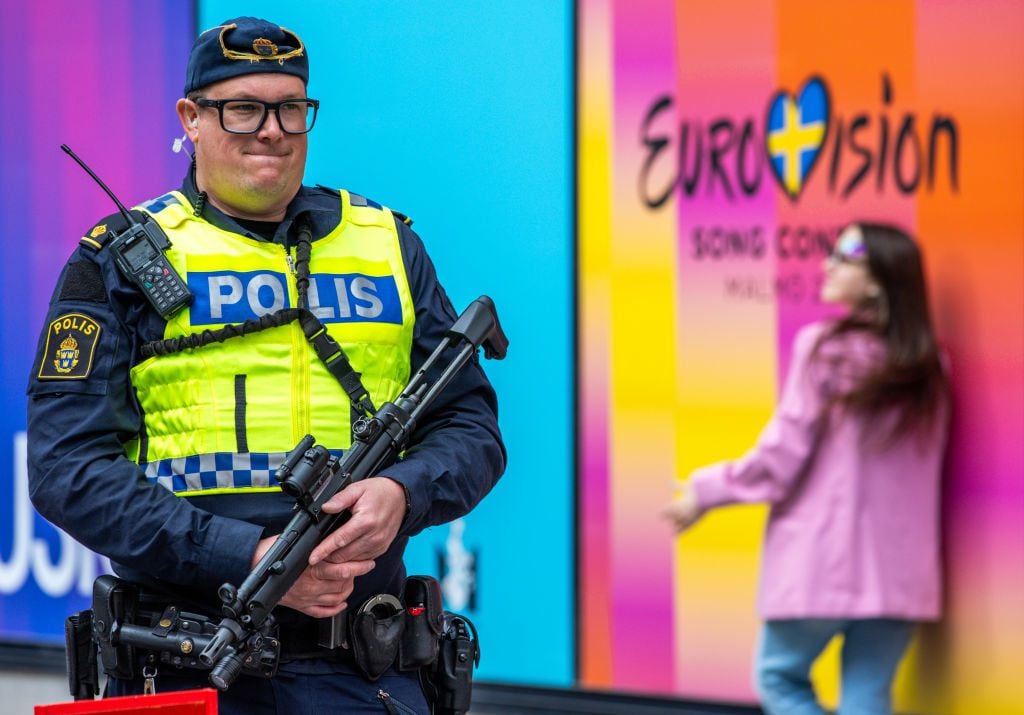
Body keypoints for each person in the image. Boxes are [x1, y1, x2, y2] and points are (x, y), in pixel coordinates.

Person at [27, 17, 505, 715]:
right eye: (243, 108)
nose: (272, 130)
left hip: (366, 672)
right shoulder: (118, 261)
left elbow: (472, 428)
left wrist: (403, 491)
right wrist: (245, 555)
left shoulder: (386, 244)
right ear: (191, 118)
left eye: (290, 108)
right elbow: (67, 468)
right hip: (189, 668)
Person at [664, 223, 948, 715]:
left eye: (845, 256)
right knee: (867, 695)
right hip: (902, 576)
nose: (828, 264)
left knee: (780, 679)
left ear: (880, 280)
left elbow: (779, 458)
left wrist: (704, 491)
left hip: (822, 565)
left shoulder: (825, 349)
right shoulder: (931, 368)